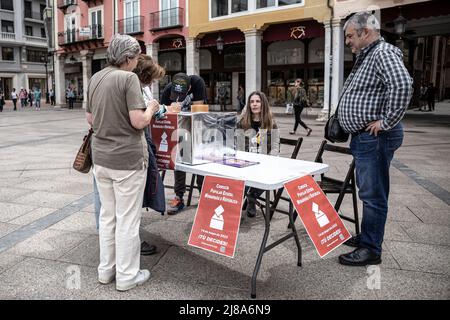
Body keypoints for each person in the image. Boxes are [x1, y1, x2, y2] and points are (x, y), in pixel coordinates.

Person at [337, 12, 413, 266]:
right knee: (368, 192)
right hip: (366, 139)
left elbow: (402, 85)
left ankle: (371, 249)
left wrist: (386, 122)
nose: (347, 41)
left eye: (350, 36)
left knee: (373, 195)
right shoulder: (367, 56)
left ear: (365, 32)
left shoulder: (381, 53)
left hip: (375, 138)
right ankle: (368, 236)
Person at [85, 34, 159, 291]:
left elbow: (90, 119)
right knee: (127, 220)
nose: (137, 62)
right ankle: (127, 276)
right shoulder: (129, 79)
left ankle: (106, 270)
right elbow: (139, 121)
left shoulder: (95, 78)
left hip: (101, 159)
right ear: (128, 58)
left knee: (108, 217)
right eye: (136, 57)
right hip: (127, 159)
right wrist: (150, 107)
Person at [160, 73, 207, 215]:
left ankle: (203, 195)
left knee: (198, 159)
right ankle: (179, 196)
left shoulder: (197, 82)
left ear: (189, 87)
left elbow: (198, 112)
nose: (178, 96)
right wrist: (169, 109)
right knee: (178, 160)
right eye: (176, 93)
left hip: (196, 125)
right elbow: (162, 115)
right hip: (178, 128)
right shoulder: (169, 89)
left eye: (182, 93)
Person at [236, 91, 279, 217]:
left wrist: (268, 159)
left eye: (257, 101)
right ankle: (236, 202)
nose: (254, 104)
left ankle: (251, 197)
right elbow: (238, 146)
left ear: (263, 104)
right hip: (247, 160)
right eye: (251, 102)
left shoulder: (271, 122)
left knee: (269, 173)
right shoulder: (242, 122)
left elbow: (276, 146)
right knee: (238, 174)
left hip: (265, 161)